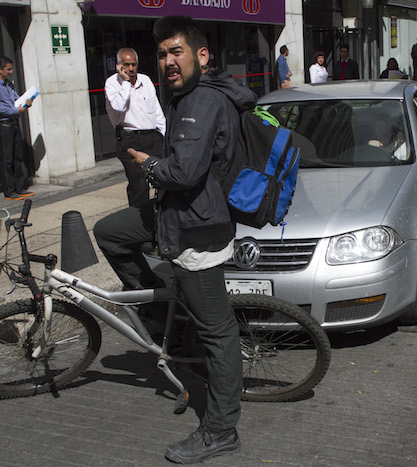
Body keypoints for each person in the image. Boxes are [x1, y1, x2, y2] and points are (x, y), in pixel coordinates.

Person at [93, 15, 257, 464]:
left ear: (201, 56)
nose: (167, 61)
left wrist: (148, 163)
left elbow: (183, 172)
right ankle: (165, 314)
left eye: (176, 52)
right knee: (109, 232)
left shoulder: (200, 101)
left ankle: (222, 429)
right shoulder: (191, 95)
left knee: (219, 332)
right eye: (162, 53)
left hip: (197, 228)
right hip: (174, 214)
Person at [105, 47, 166, 207]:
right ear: (119, 66)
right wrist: (125, 82)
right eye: (126, 65)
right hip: (130, 139)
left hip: (153, 138)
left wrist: (165, 134)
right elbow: (119, 106)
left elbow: (156, 110)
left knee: (164, 177)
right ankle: (139, 222)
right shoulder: (112, 83)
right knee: (139, 186)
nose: (131, 68)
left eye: (133, 64)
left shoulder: (145, 80)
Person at [0, 56, 34, 201]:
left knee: (17, 157)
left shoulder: (8, 84)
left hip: (14, 123)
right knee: (7, 159)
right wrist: (16, 111)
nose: (11, 71)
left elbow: (16, 99)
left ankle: (19, 188)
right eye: (8, 69)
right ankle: (9, 191)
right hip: (4, 125)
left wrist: (26, 102)